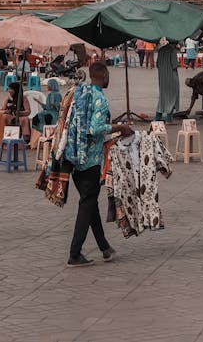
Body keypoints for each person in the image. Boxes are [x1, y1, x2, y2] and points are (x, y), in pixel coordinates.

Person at [64, 61, 132, 267]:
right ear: (102, 76)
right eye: (108, 74)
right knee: (87, 205)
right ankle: (75, 254)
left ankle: (104, 247)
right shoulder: (99, 98)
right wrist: (120, 127)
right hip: (91, 161)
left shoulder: (79, 93)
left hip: (74, 156)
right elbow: (95, 129)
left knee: (90, 203)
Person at [155, 38, 180, 122]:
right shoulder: (173, 51)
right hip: (172, 77)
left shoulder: (160, 50)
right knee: (173, 97)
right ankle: (169, 119)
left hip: (162, 78)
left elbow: (157, 64)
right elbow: (174, 65)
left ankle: (157, 117)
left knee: (163, 97)